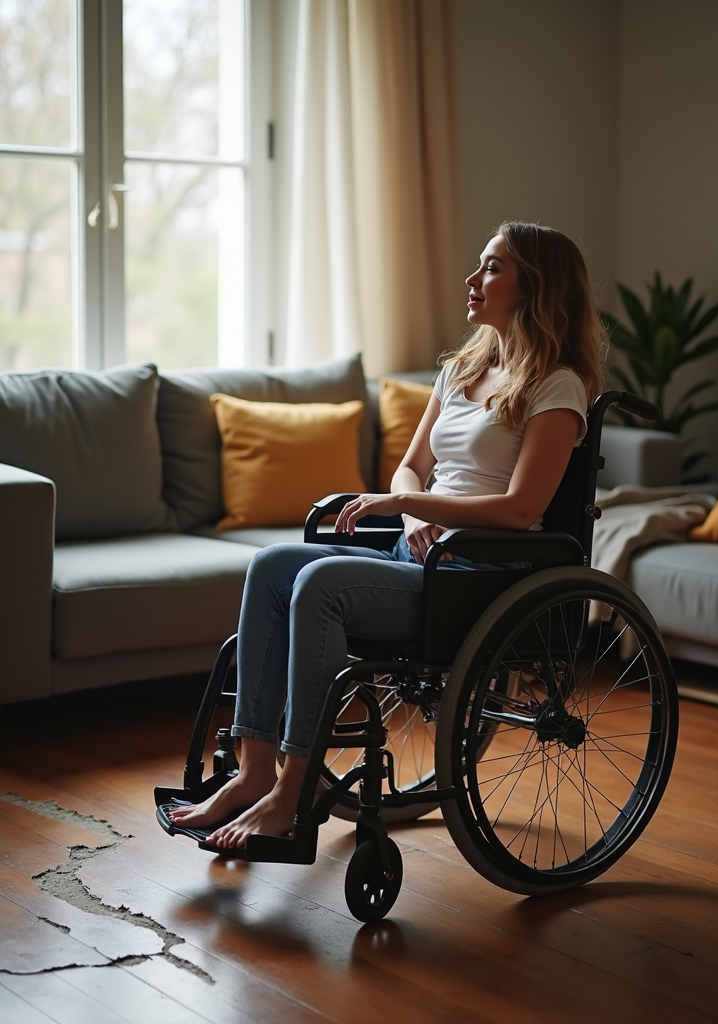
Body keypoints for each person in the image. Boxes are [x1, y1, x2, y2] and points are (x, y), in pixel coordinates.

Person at [169, 220, 607, 848]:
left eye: (490, 267)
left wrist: (413, 501)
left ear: (534, 287)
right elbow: (412, 463)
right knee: (272, 564)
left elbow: (519, 509)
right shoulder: (461, 370)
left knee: (321, 580)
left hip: (482, 572)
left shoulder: (557, 387)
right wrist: (411, 513)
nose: (471, 278)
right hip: (420, 551)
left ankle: (291, 797)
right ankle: (254, 774)